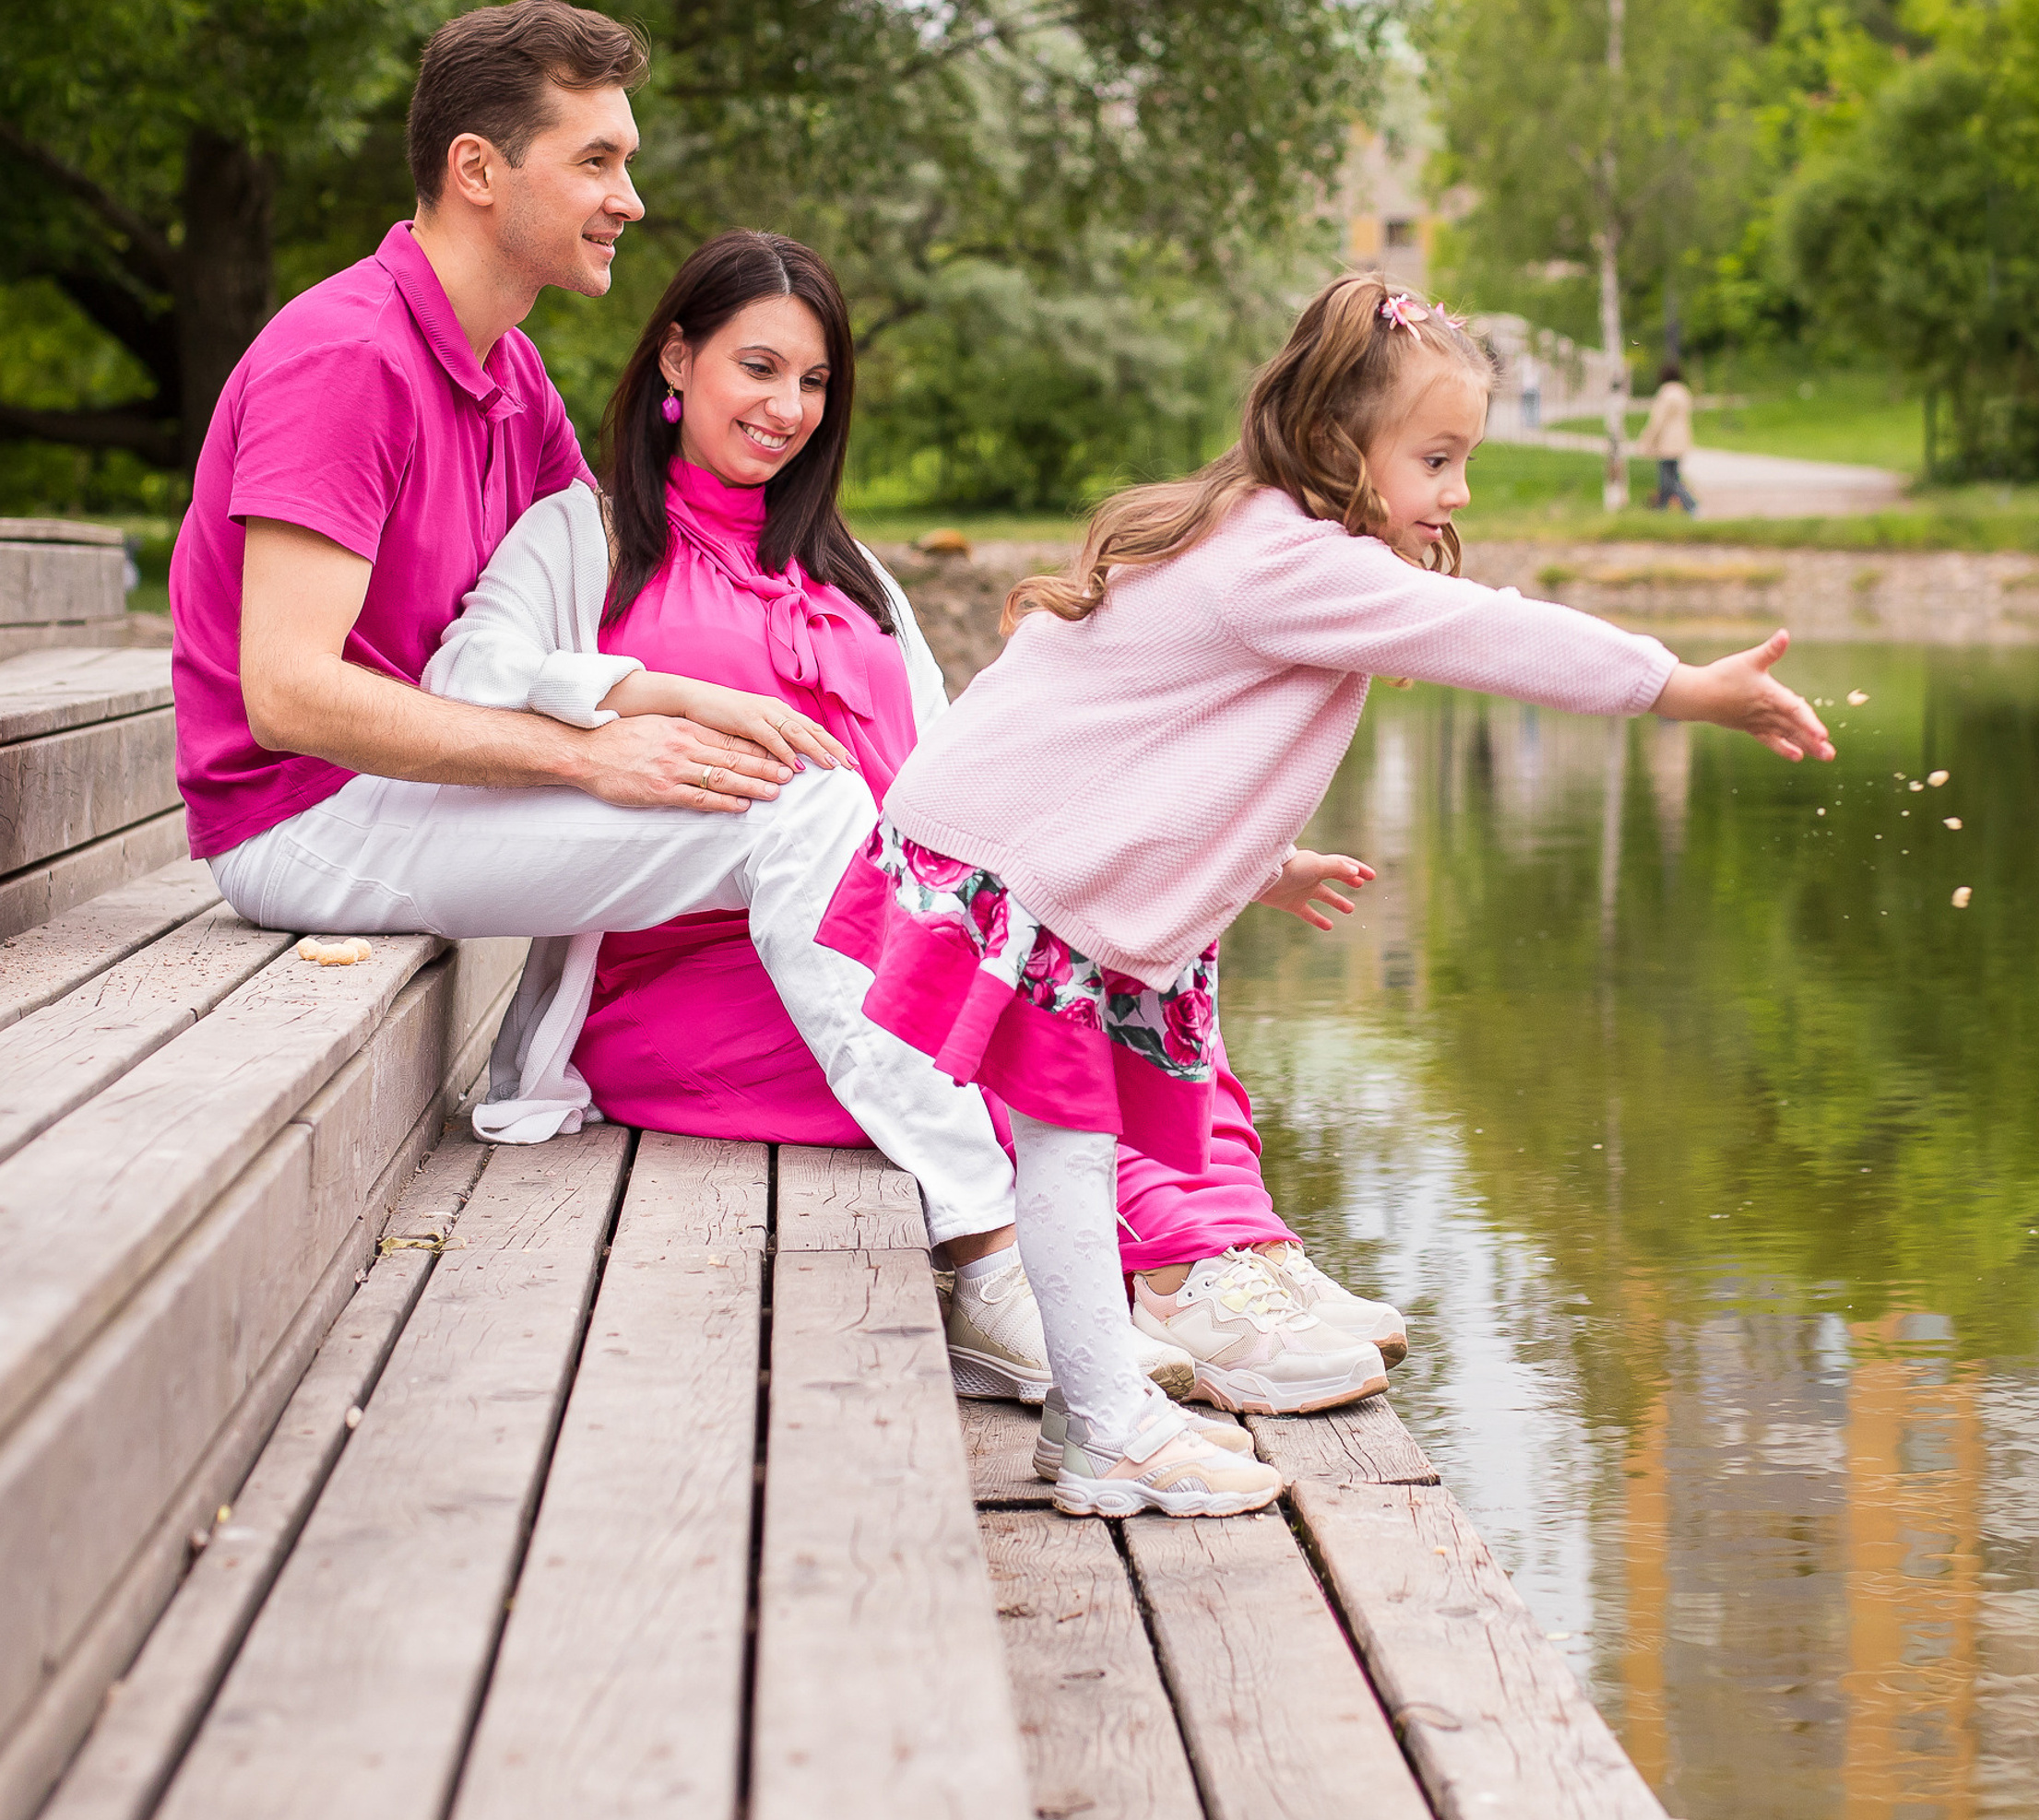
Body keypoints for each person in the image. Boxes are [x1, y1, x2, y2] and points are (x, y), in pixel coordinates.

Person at [818, 275, 1836, 1519]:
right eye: (1439, 458)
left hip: (1006, 846)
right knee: (1071, 1140)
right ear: (1343, 444)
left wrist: (1255, 865)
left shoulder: (1262, 536)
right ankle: (1105, 1431)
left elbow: (1147, 750)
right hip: (1014, 873)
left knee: (1067, 1140)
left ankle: (1096, 1417)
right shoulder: (1291, 561)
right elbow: (1493, 635)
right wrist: (1675, 686)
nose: (1457, 494)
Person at [423, 227, 1399, 1414]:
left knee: (1120, 940)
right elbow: (467, 676)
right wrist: (635, 700)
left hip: (881, 949)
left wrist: (1242, 860)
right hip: (696, 992)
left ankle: (1233, 1246)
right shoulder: (586, 540)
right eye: (759, 366)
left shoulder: (854, 579)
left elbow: (980, 780)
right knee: (1014, 1027)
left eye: (816, 381)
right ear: (674, 362)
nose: (788, 407)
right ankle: (1182, 1272)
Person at [170, 0, 1019, 1276]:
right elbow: (287, 696)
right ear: (477, 170)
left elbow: (587, 589)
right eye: (597, 160)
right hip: (304, 818)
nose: (631, 196)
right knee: (790, 814)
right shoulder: (346, 357)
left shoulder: (506, 375)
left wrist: (670, 696)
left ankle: (1018, 1206)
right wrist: (584, 755)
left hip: (406, 789)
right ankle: (983, 1234)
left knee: (793, 796)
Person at [1634, 360, 1699, 514]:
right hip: (1681, 440)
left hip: (1667, 441)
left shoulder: (1666, 393)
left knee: (1669, 479)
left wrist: (1646, 440)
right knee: (1671, 476)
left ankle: (1691, 506)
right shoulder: (1683, 391)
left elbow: (1657, 421)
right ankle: (1662, 509)